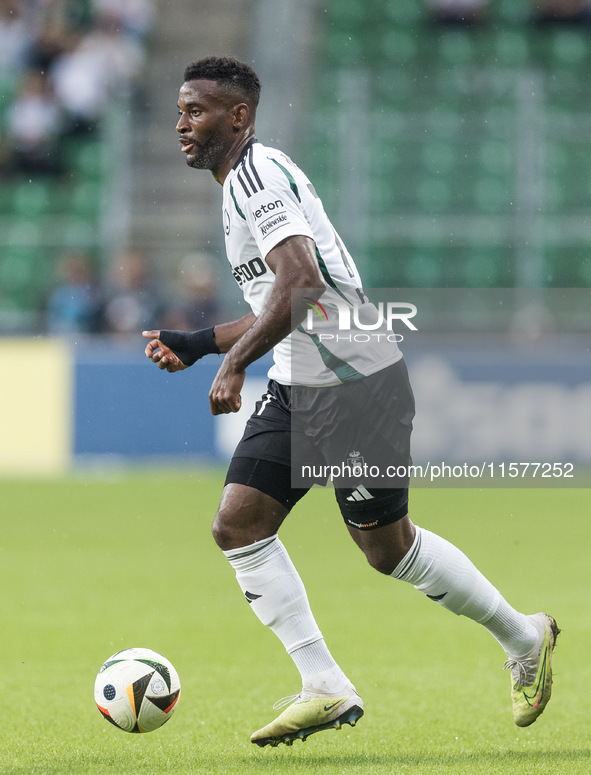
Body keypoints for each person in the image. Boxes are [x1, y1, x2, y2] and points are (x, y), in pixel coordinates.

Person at [142, 56, 559, 748]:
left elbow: (300, 283)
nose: (180, 123)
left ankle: (523, 636)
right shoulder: (237, 184)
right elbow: (282, 299)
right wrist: (200, 342)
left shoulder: (257, 175)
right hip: (301, 379)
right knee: (238, 523)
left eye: (195, 111)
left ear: (237, 117)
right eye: (181, 110)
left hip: (357, 383)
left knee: (387, 548)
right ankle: (325, 685)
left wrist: (233, 365)